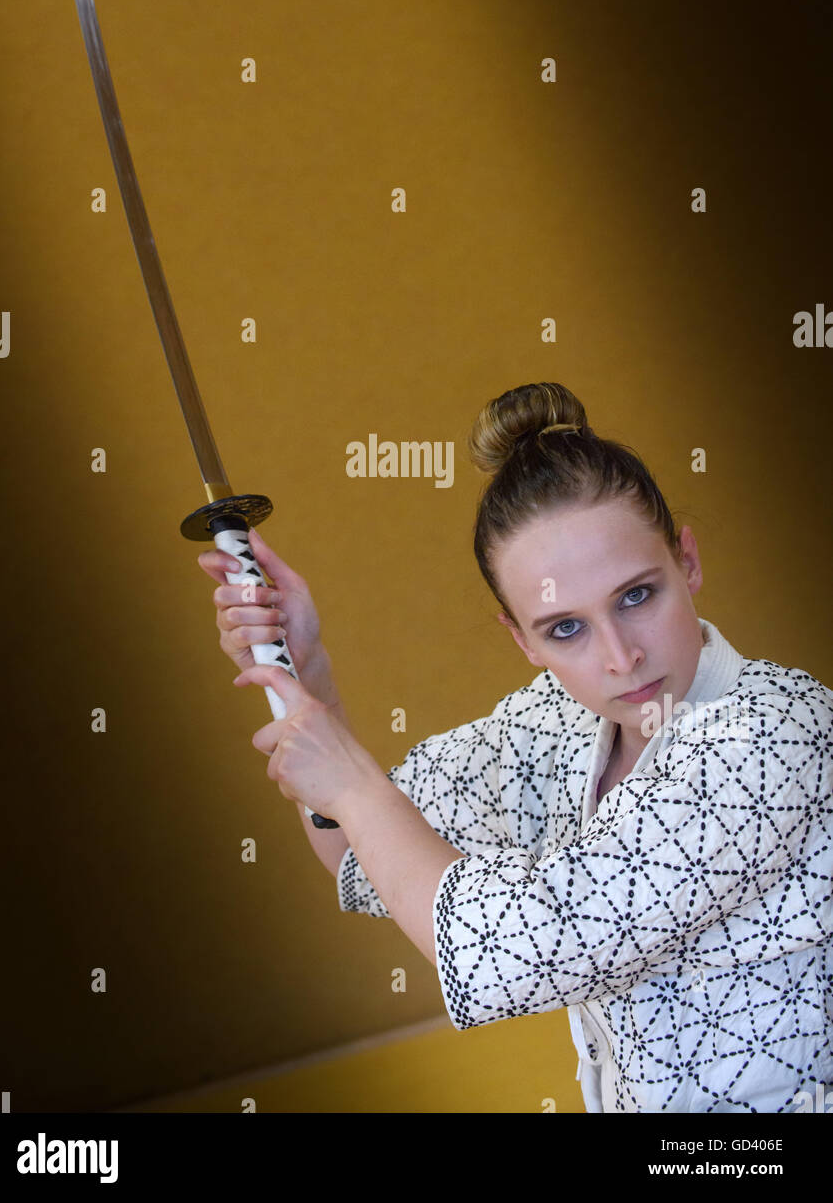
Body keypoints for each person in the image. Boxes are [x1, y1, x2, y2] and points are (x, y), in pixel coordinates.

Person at [197, 380, 833, 1113]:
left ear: (687, 563)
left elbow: (516, 947)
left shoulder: (774, 737)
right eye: (566, 628)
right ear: (520, 638)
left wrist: (347, 785)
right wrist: (310, 682)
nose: (620, 657)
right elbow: (363, 856)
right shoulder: (553, 723)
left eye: (637, 595)